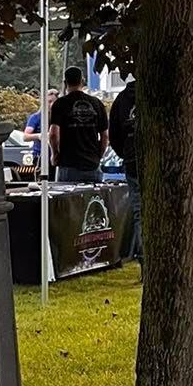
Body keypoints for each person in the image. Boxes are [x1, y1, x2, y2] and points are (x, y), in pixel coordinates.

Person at [49, 66, 108, 184]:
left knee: (69, 202)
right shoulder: (97, 103)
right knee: (93, 201)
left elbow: (54, 134)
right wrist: (98, 156)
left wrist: (55, 155)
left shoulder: (60, 104)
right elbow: (105, 136)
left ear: (65, 83)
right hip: (92, 165)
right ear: (82, 81)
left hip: (68, 164)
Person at [107, 78, 141, 260]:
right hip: (149, 158)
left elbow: (113, 135)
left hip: (132, 159)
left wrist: (125, 154)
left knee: (139, 211)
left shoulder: (120, 100)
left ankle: (143, 257)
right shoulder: (157, 94)